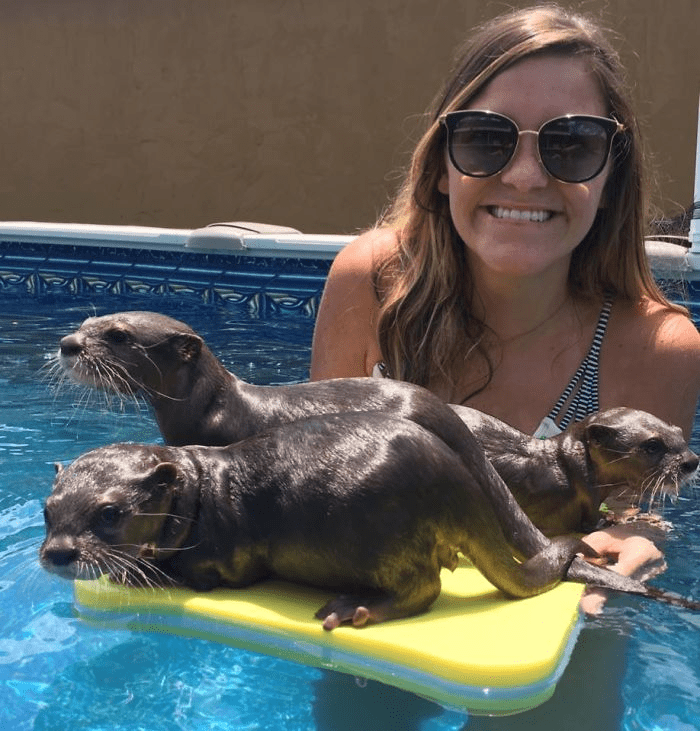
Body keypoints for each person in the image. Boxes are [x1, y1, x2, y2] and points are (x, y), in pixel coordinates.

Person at [309, 4, 700, 608]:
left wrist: (635, 537)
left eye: (570, 145)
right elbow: (309, 468)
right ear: (443, 166)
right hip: (373, 599)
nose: (523, 176)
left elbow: (635, 516)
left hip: (545, 622)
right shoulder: (372, 283)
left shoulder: (655, 347)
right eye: (485, 139)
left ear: (611, 177)